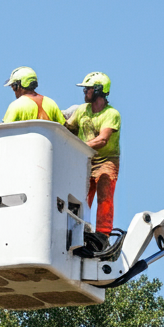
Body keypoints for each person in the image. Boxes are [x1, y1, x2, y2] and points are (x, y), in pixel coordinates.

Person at [66, 71, 120, 253]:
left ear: (98, 90)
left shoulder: (111, 114)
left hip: (106, 160)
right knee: (81, 196)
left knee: (104, 193)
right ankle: (82, 229)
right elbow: (67, 127)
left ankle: (102, 236)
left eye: (87, 89)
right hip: (86, 160)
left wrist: (79, 146)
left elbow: (102, 140)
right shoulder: (82, 110)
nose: (85, 92)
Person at [2, 66, 67, 124]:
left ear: (17, 86)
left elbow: (4, 131)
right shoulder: (51, 103)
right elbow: (64, 127)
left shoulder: (16, 106)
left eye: (13, 87)